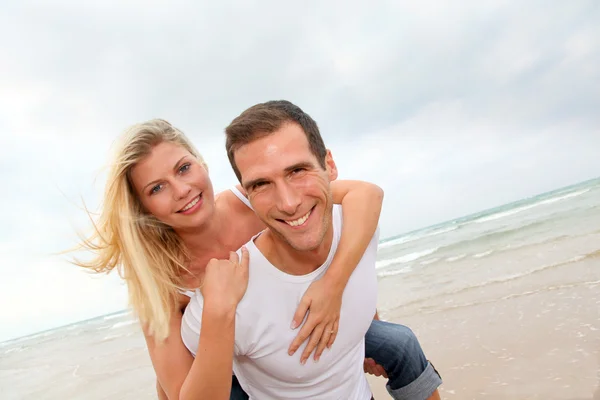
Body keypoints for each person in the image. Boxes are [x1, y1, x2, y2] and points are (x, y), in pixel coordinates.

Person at [74, 113, 441, 399]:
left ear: (200, 162)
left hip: (300, 325)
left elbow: (363, 196)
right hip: (227, 367)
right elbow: (181, 391)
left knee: (398, 343)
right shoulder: (162, 281)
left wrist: (344, 299)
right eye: (157, 188)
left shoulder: (257, 199)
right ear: (145, 207)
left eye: (184, 168)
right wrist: (219, 308)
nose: (183, 190)